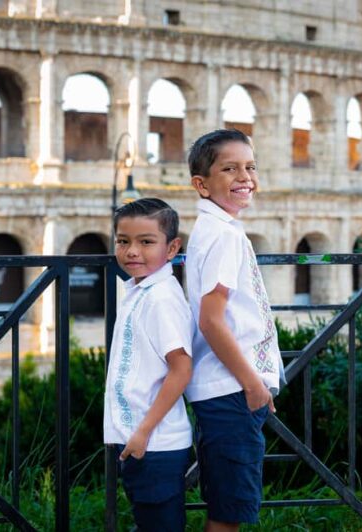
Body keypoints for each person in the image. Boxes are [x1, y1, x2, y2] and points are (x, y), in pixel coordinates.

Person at [185, 129, 284, 531]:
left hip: (229, 388)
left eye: (250, 166)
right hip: (231, 390)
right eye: (230, 168)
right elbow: (211, 320)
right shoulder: (223, 235)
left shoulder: (217, 228)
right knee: (229, 513)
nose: (245, 177)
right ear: (202, 184)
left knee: (228, 503)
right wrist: (253, 384)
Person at [103, 197, 194, 532]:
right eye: (123, 241)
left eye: (146, 242)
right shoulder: (142, 290)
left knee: (160, 523)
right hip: (143, 440)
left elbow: (182, 368)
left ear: (171, 249)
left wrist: (142, 432)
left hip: (154, 442)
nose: (132, 252)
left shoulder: (161, 299)